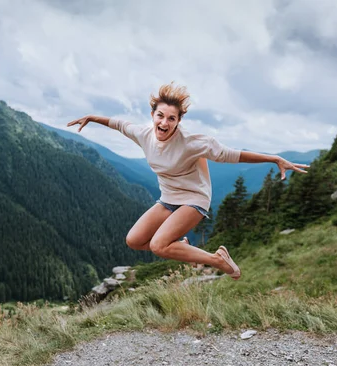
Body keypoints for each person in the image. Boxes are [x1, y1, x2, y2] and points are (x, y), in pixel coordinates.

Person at [67, 83, 309, 280]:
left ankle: (217, 260)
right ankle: (183, 247)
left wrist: (274, 158)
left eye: (171, 119)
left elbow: (233, 155)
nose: (164, 123)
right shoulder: (143, 133)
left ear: (178, 121)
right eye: (160, 116)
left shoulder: (193, 142)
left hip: (194, 198)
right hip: (168, 198)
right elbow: (118, 124)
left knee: (159, 246)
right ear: (153, 115)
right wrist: (91, 117)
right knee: (135, 240)